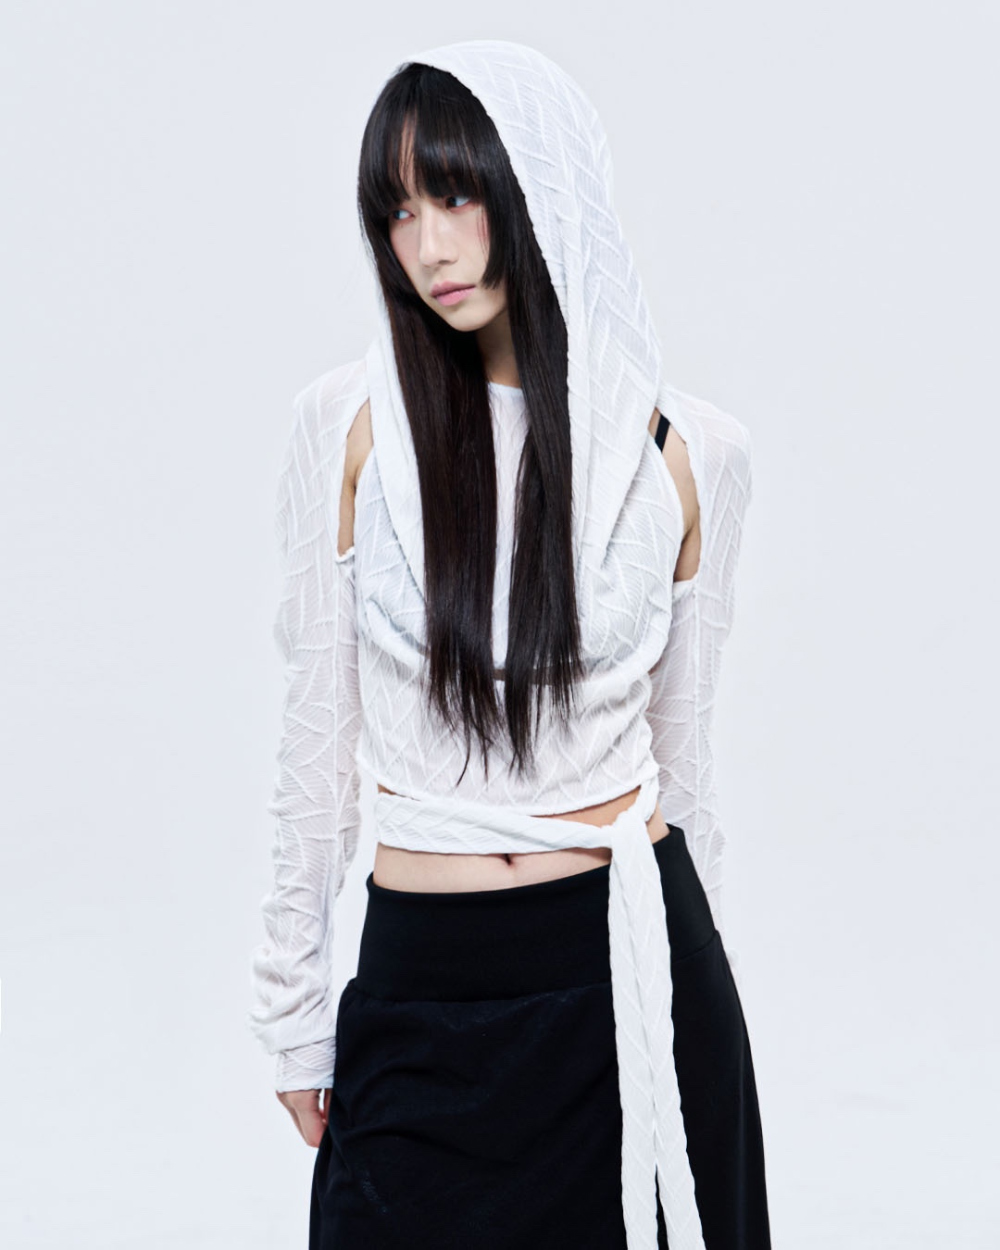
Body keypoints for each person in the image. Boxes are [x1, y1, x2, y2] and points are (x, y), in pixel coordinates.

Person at [248, 39, 771, 1250]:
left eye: (456, 193)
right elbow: (313, 745)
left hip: (631, 985)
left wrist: (710, 1000)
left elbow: (684, 766)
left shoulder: (689, 451)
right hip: (423, 979)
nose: (428, 246)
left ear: (540, 181)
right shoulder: (349, 427)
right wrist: (292, 1010)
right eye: (396, 211)